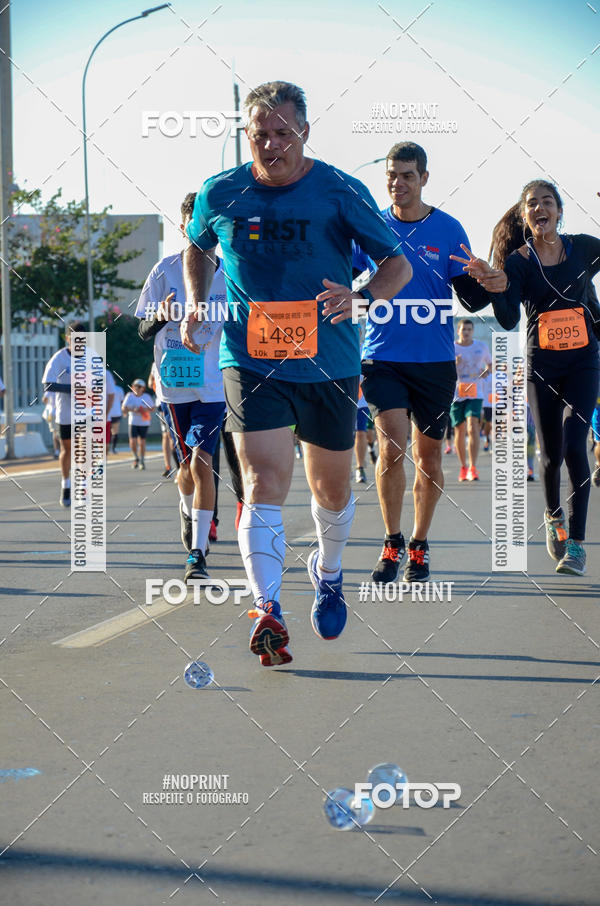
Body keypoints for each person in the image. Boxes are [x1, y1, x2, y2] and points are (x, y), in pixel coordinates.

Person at [181, 80, 411, 666]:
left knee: (330, 488)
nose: (272, 144)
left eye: (284, 133)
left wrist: (360, 300)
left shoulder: (338, 190)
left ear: (305, 132)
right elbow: (197, 247)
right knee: (262, 482)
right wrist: (195, 300)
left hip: (327, 362)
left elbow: (396, 265)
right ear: (246, 134)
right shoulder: (221, 191)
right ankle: (266, 607)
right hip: (250, 357)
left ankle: (328, 572)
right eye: (261, 134)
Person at [358, 142, 491, 584]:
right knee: (393, 446)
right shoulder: (372, 225)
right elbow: (346, 275)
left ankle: (419, 543)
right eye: (392, 175)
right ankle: (391, 540)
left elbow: (470, 295)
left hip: (434, 361)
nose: (397, 183)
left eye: (407, 175)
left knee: (429, 459)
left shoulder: (448, 228)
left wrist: (486, 278)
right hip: (382, 356)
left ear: (424, 179)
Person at [453, 179, 600, 576]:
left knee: (574, 445)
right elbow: (507, 319)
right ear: (524, 215)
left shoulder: (584, 247)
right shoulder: (518, 261)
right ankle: (555, 519)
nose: (540, 208)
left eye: (547, 202)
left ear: (559, 210)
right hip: (541, 365)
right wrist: (497, 286)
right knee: (550, 454)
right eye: (532, 203)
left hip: (584, 361)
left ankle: (578, 546)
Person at [136, 192, 227, 580]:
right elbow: (142, 330)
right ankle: (187, 509)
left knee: (203, 463)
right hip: (175, 388)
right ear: (183, 227)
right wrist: (160, 316)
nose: (201, 232)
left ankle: (198, 553)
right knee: (187, 469)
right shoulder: (164, 271)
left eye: (208, 225)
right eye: (195, 225)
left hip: (214, 386)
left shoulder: (232, 274)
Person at [43, 322, 114, 506]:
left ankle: (82, 486)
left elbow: (100, 383)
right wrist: (73, 388)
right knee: (67, 450)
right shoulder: (59, 358)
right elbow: (48, 384)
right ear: (68, 339)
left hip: (86, 412)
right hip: (65, 413)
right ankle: (66, 484)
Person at [450, 318, 491, 482]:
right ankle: (463, 467)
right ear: (458, 331)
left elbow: (491, 364)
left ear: (472, 331)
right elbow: (443, 370)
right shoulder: (451, 348)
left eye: (469, 329)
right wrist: (454, 364)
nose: (466, 332)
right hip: (457, 394)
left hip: (475, 393)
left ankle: (473, 467)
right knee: (459, 430)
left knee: (472, 426)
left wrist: (487, 371)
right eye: (463, 329)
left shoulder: (481, 347)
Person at [122, 379, 155, 470]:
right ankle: (136, 457)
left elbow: (152, 408)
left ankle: (142, 460)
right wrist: (131, 410)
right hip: (133, 421)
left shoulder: (147, 397)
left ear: (143, 388)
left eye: (139, 386)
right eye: (135, 386)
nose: (136, 388)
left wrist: (144, 410)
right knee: (132, 442)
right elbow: (124, 408)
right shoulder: (129, 396)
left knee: (142, 442)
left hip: (144, 422)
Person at [108, 372, 124, 454]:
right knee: (113, 432)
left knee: (112, 432)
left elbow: (122, 401)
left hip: (111, 413)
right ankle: (112, 449)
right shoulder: (119, 389)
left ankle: (111, 448)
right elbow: (122, 401)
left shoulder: (105, 388)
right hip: (114, 413)